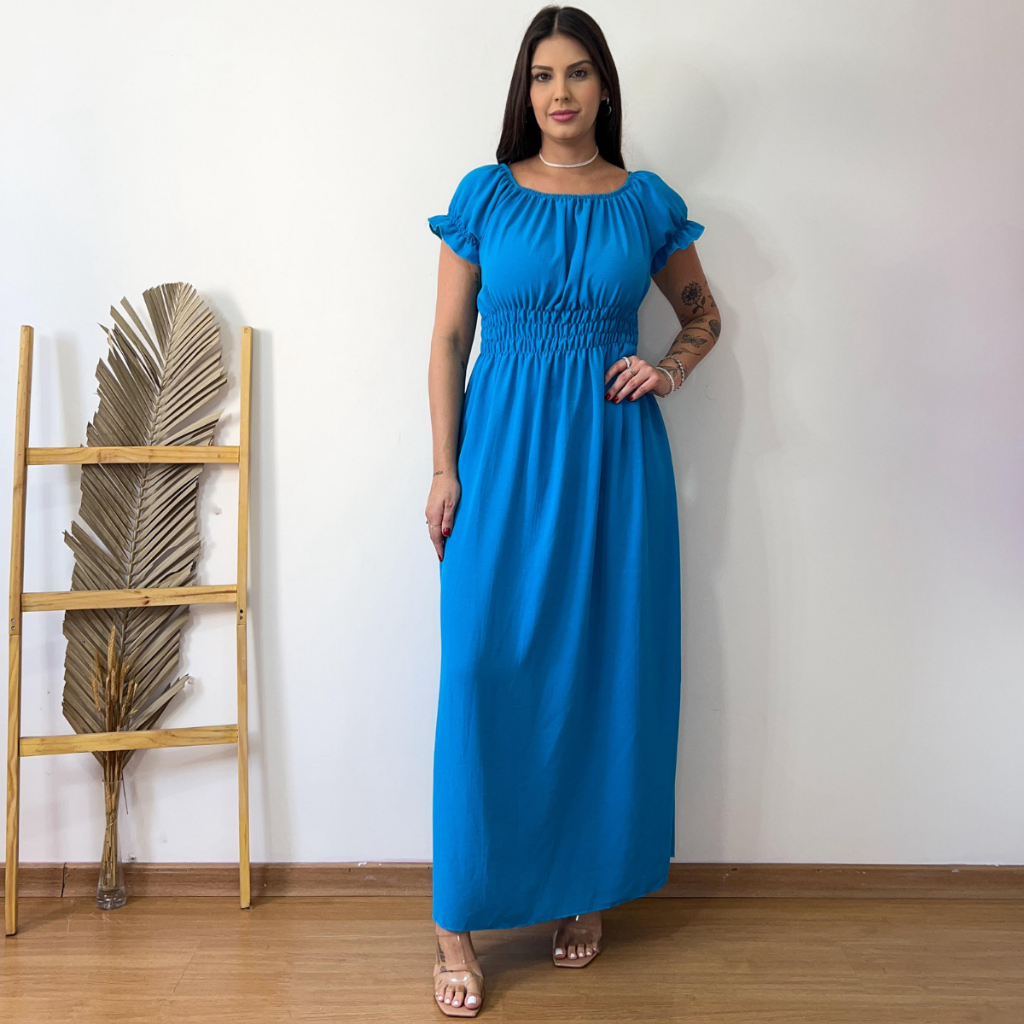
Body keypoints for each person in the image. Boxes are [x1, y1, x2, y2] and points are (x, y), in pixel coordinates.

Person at [424, 6, 720, 1015]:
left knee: (595, 674)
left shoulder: (644, 202)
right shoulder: (484, 194)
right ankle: (456, 922)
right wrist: (443, 468)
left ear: (603, 88)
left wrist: (668, 369)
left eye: (579, 73)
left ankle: (578, 890)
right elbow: (448, 340)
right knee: (479, 668)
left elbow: (703, 315)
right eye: (544, 74)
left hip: (611, 465)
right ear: (527, 89)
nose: (560, 92)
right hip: (499, 462)